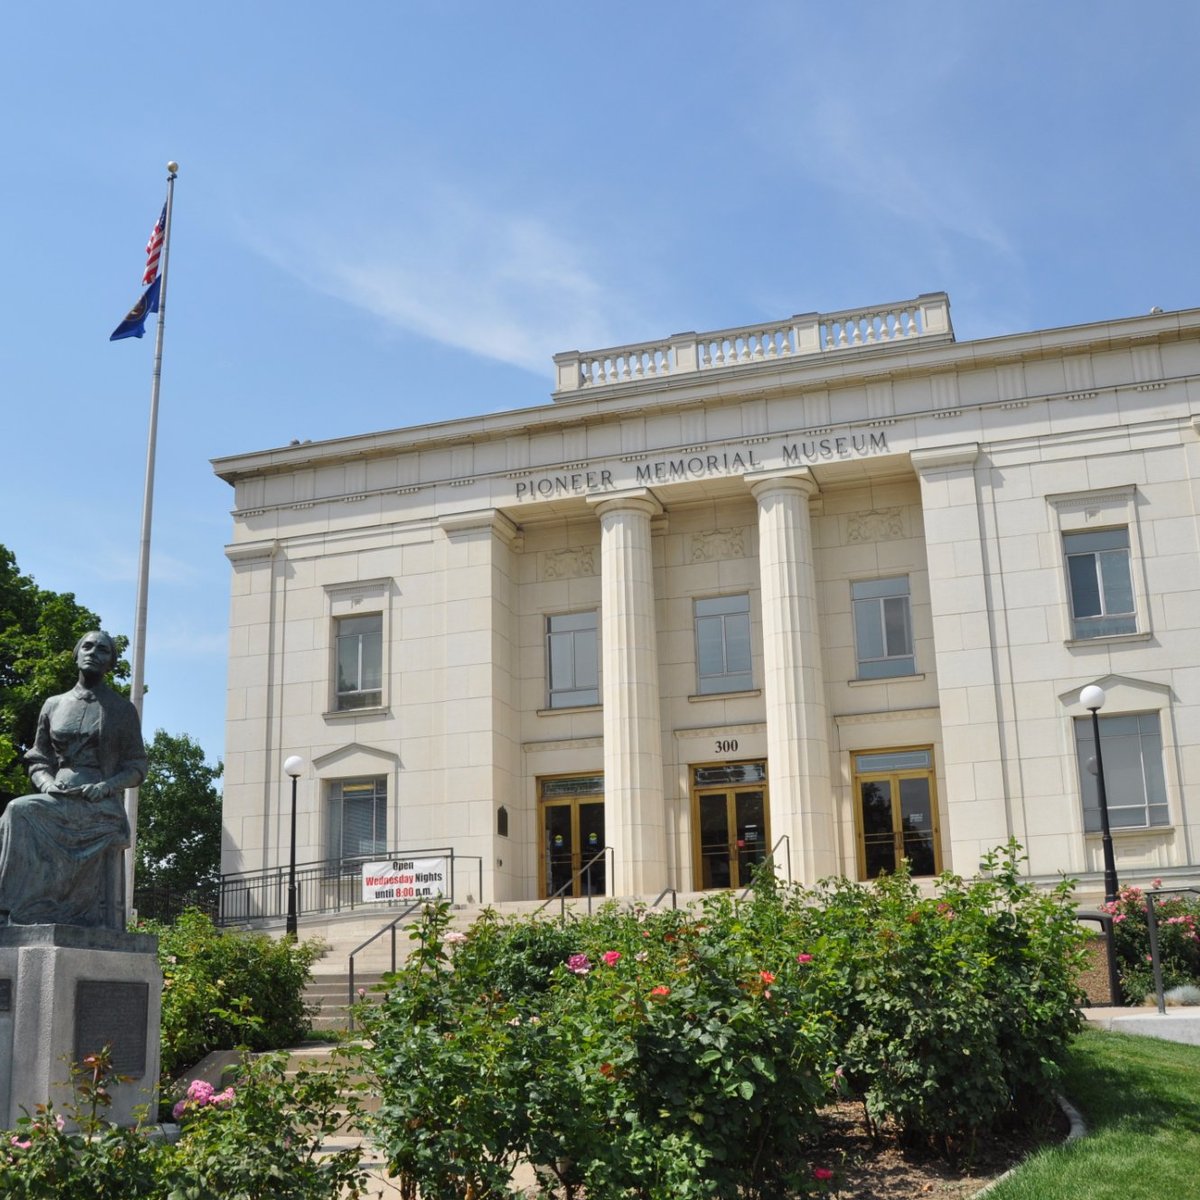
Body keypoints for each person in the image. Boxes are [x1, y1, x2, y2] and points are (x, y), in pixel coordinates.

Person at [0, 631, 146, 927]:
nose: (93, 653)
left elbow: (137, 766)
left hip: (99, 806)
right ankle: (16, 911)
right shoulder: (53, 704)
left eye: (102, 650)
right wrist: (46, 784)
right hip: (57, 797)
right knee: (19, 810)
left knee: (21, 810)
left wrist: (107, 786)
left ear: (110, 663)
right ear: (76, 654)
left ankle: (65, 912)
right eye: (87, 647)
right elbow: (38, 759)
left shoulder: (122, 710)